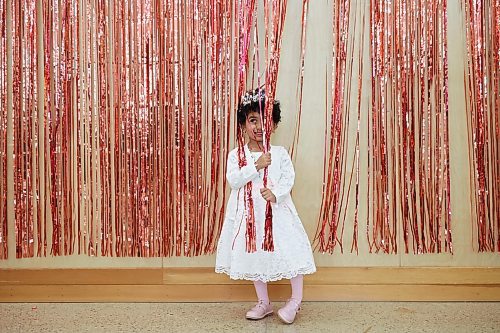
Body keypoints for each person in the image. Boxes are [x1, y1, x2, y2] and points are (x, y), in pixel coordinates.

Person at [215, 88, 316, 324]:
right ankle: (264, 302)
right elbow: (234, 180)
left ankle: (295, 301)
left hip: (277, 215)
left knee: (291, 252)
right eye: (253, 120)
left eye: (266, 120)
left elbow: (288, 177)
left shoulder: (279, 153)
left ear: (275, 124)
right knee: (255, 256)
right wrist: (256, 166)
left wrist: (277, 194)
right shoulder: (236, 155)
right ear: (243, 124)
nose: (259, 126)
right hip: (250, 218)